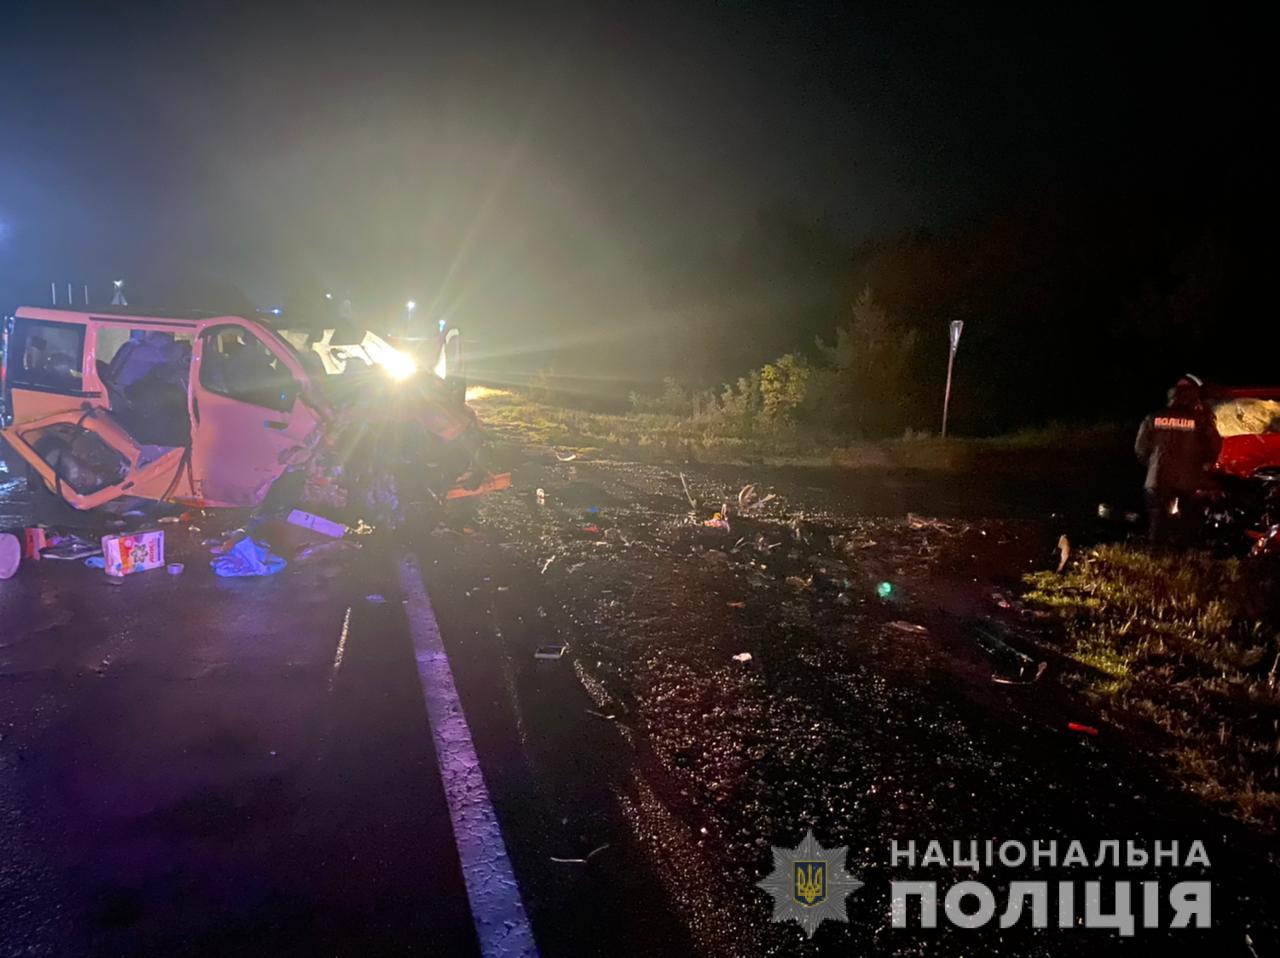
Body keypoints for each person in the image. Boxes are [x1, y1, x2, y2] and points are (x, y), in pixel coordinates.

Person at [1135, 377, 1222, 545]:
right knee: (1188, 525)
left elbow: (1140, 448)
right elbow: (1214, 445)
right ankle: (1183, 559)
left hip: (1157, 478)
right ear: (1194, 395)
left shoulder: (1154, 417)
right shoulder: (1201, 420)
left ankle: (1156, 560)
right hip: (1189, 480)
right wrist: (1204, 465)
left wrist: (1153, 464)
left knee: (1157, 523)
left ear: (1171, 395)